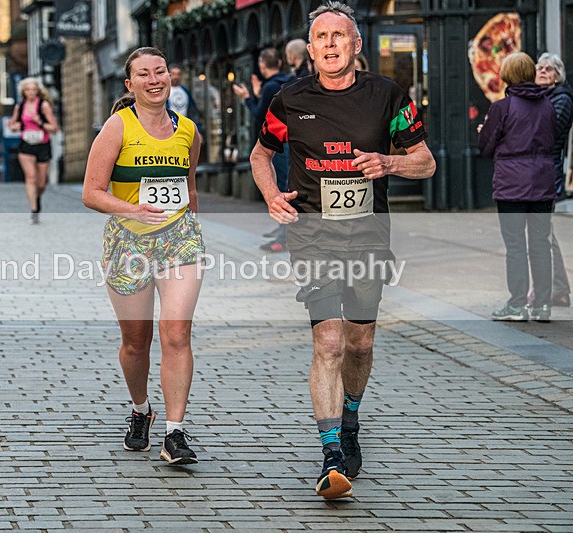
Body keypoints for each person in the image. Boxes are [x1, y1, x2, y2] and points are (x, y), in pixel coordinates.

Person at [250, 1, 435, 499]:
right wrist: (270, 194)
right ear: (310, 50)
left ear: (356, 45)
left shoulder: (388, 95)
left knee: (360, 343)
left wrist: (388, 164)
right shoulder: (289, 99)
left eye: (339, 36)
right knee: (328, 343)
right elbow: (261, 153)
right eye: (321, 37)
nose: (330, 44)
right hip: (312, 233)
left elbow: (426, 163)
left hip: (369, 234)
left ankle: (350, 416)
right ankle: (332, 450)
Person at [82, 47, 205, 466]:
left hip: (179, 242)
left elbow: (189, 191)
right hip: (128, 243)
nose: (155, 80)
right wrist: (132, 208)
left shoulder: (188, 130)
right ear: (130, 84)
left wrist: (189, 225)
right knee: (137, 343)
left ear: (170, 76)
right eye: (144, 74)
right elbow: (91, 193)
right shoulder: (117, 128)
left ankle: (175, 434)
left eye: (161, 71)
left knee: (176, 334)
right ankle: (141, 409)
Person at [478, 52, 557, 322]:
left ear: (507, 75)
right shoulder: (548, 105)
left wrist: (483, 132)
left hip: (512, 184)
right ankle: (542, 305)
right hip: (543, 182)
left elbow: (486, 146)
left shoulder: (503, 107)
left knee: (515, 245)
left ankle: (517, 304)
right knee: (540, 244)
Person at [232, 47, 295, 252]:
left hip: (276, 143)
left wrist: (247, 97)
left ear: (262, 65)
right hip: (292, 141)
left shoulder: (269, 87)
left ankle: (283, 236)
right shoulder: (290, 81)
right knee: (288, 185)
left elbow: (260, 116)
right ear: (279, 63)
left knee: (281, 187)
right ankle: (283, 230)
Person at [535, 53, 572, 307]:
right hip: (537, 171)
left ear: (557, 75)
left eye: (548, 68)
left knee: (542, 233)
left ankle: (556, 288)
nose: (542, 71)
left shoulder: (562, 99)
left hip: (548, 171)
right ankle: (558, 288)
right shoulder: (541, 97)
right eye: (539, 67)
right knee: (543, 232)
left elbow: (548, 131)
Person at [8, 78, 58, 224]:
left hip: (42, 144)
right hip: (26, 145)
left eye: (34, 89)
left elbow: (54, 128)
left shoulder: (44, 105)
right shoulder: (20, 106)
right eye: (28, 89)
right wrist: (14, 126)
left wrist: (40, 122)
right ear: (23, 91)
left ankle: (36, 197)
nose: (31, 92)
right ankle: (34, 211)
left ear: (38, 91)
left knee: (41, 183)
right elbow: (13, 124)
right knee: (31, 177)